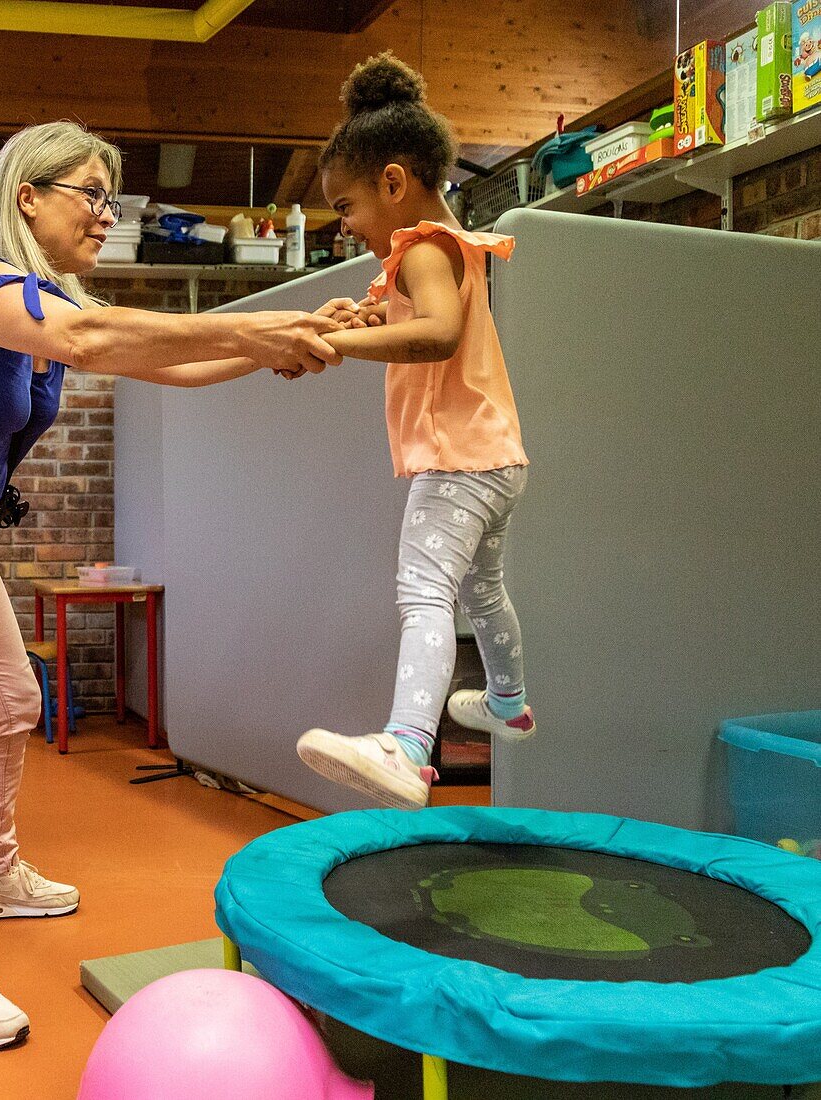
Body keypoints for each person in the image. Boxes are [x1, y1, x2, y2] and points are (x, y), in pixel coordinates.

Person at [0, 120, 341, 1051]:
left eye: (112, 198)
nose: (108, 213)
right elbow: (96, 338)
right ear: (29, 196)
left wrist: (270, 350)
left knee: (14, 698)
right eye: (91, 193)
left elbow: (159, 364)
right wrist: (259, 323)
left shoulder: (47, 312)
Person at [296, 53, 535, 812]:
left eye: (346, 207)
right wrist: (365, 319)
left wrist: (338, 344)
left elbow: (436, 335)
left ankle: (405, 745)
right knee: (483, 588)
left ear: (393, 183)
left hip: (460, 462)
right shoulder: (442, 244)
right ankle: (508, 702)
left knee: (424, 591)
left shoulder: (422, 249)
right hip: (498, 458)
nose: (346, 226)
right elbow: (425, 323)